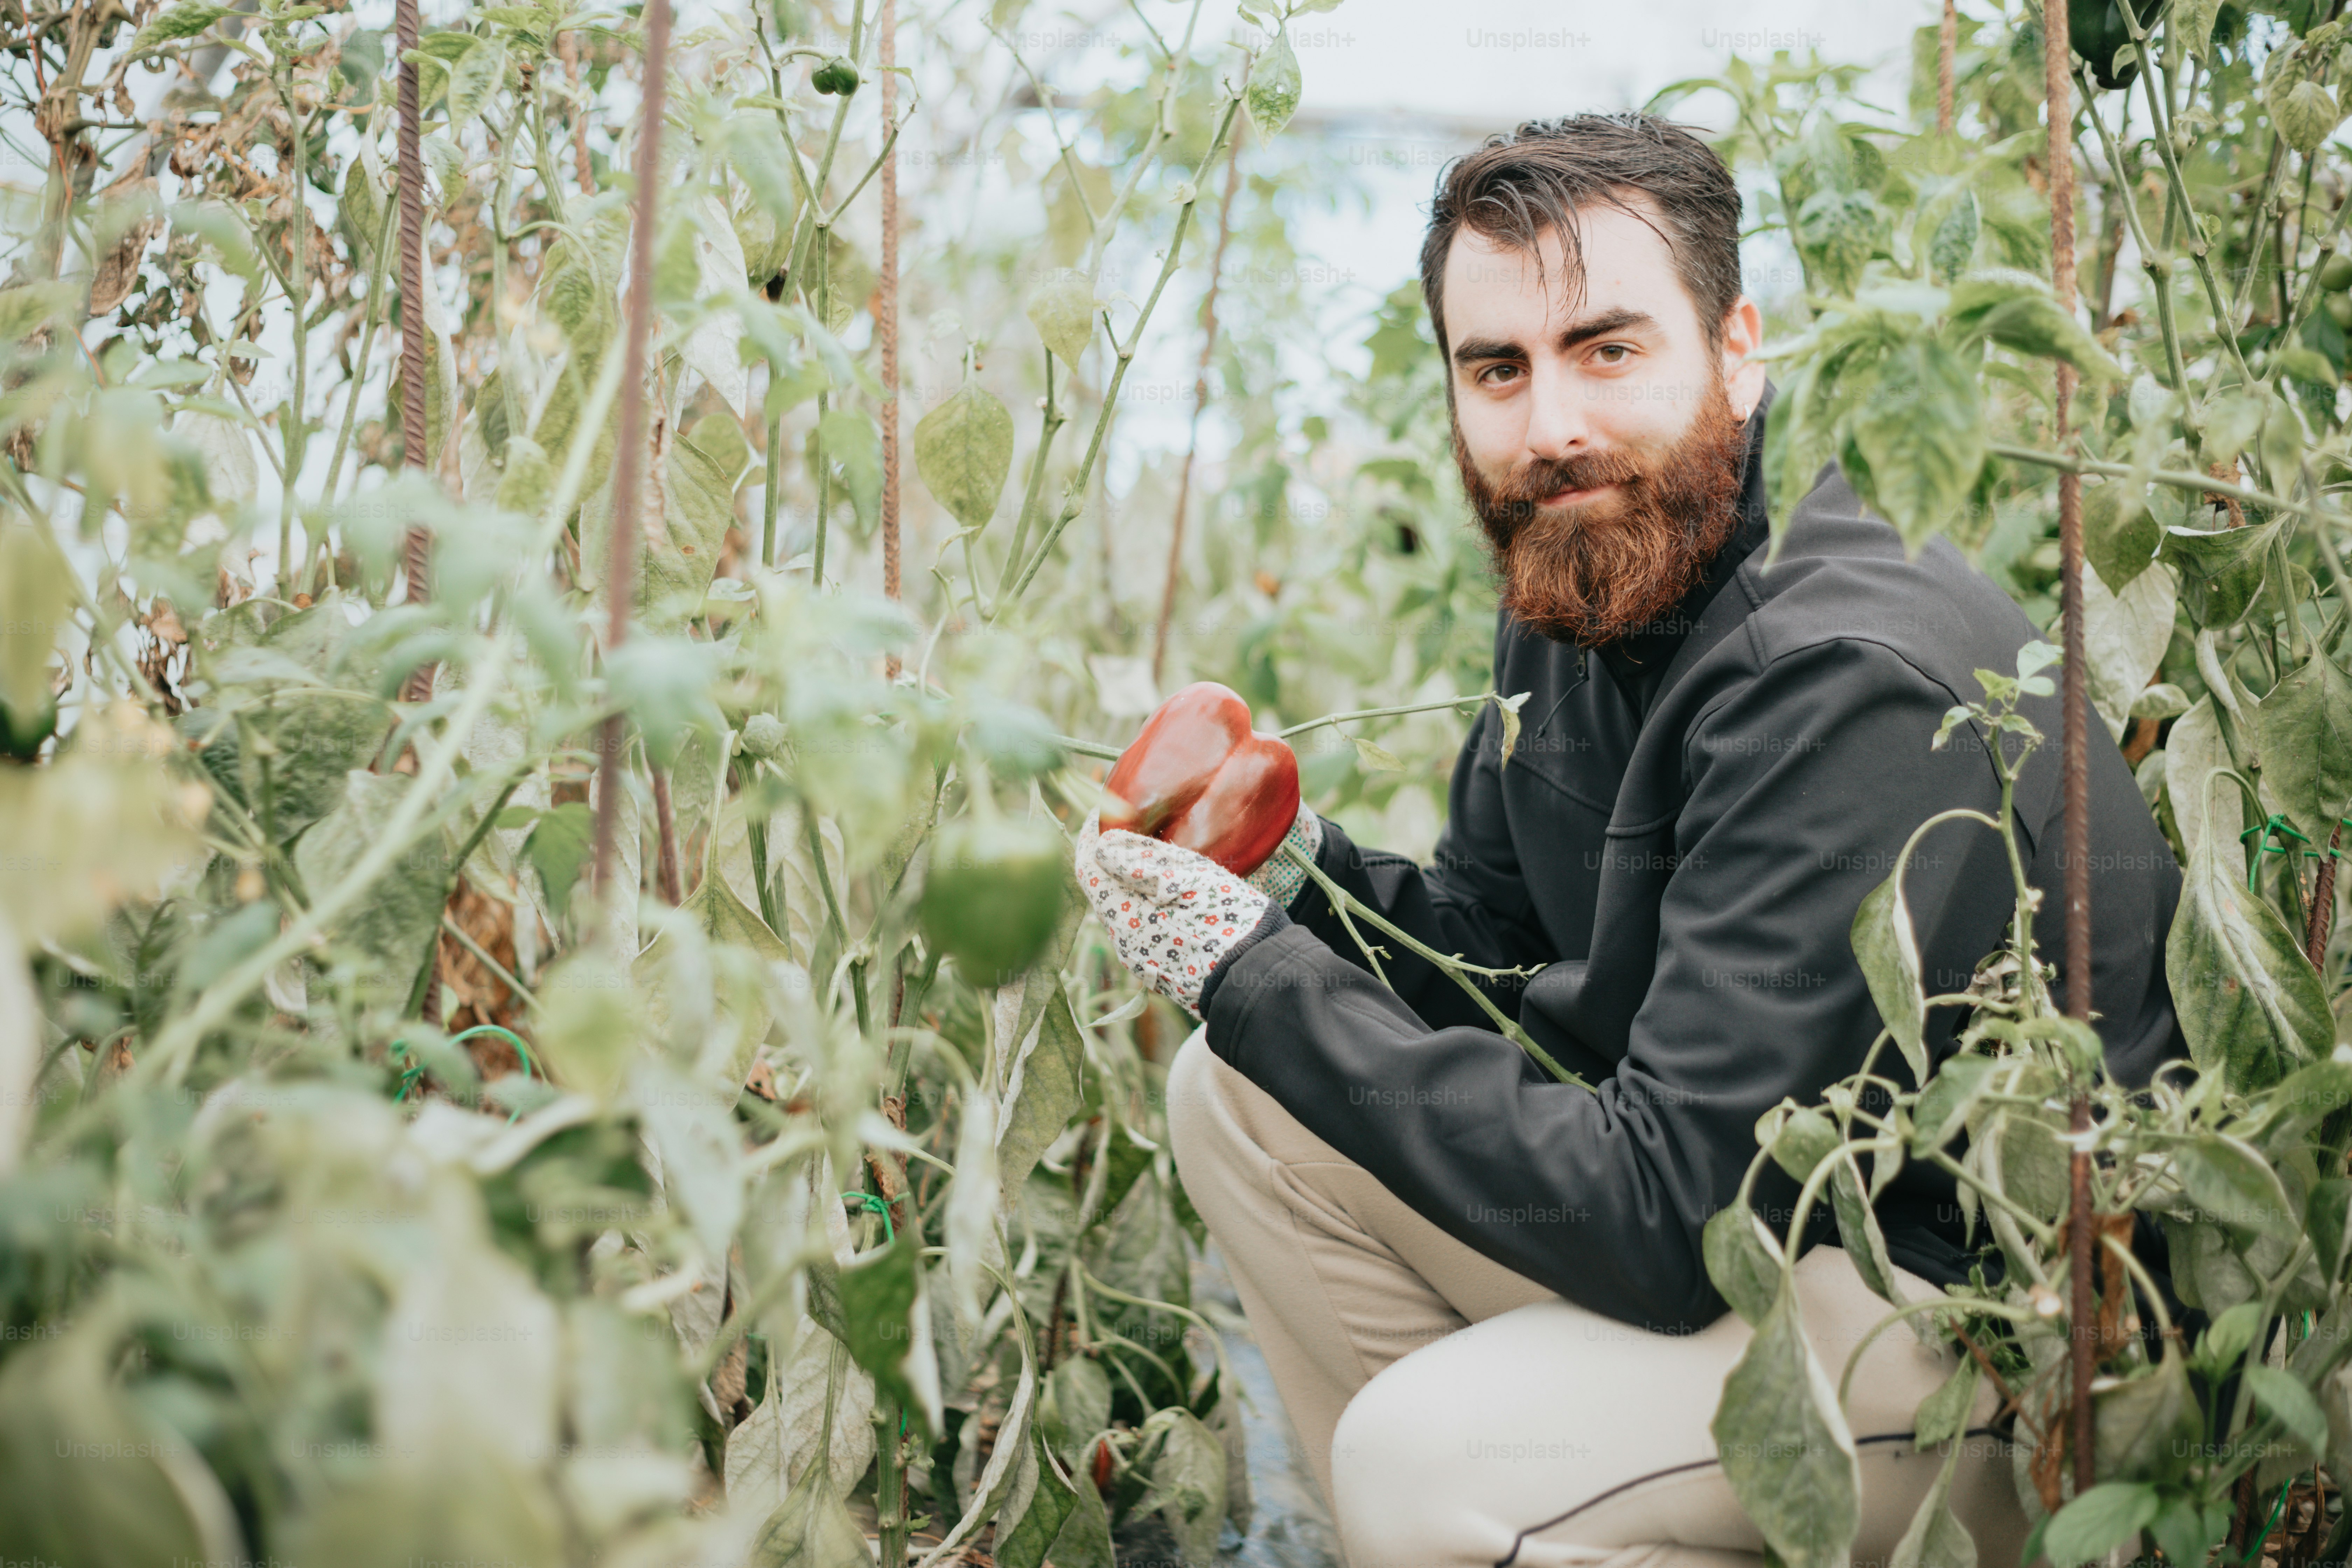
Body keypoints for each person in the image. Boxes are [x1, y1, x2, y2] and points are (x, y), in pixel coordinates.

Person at [1072, 112, 2185, 1568]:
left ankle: (1476, 1510)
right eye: (1498, 369)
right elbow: (1496, 947)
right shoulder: (1590, 561)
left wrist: (1255, 969)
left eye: (1608, 349)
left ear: (1738, 349)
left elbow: (1664, 1217)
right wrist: (1290, 887)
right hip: (1770, 1241)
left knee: (1428, 1458)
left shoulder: (1838, 672)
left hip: (1997, 1337)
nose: (1551, 427)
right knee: (1245, 1096)